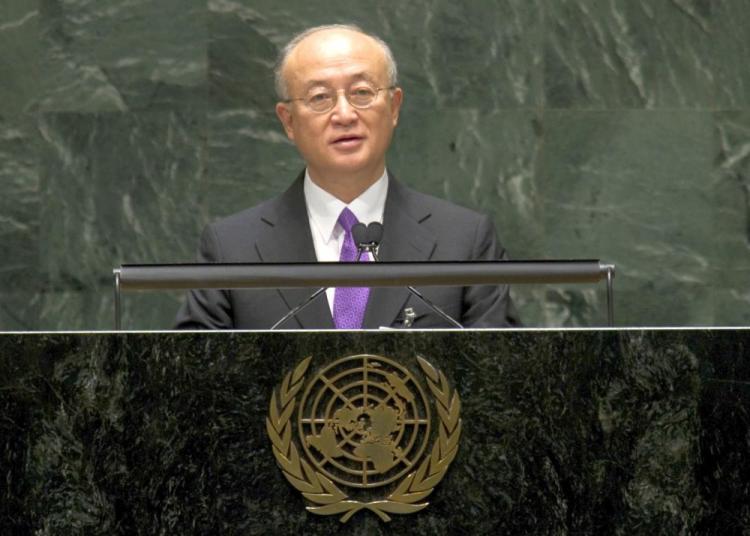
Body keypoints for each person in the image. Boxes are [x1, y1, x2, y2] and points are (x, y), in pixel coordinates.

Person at [175, 24, 520, 329]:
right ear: (289, 121)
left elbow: (504, 381)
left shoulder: (464, 241)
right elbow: (190, 382)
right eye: (320, 97)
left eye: (361, 93)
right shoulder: (232, 249)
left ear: (394, 107)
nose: (344, 114)